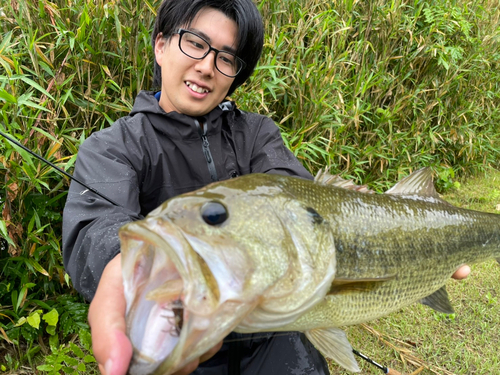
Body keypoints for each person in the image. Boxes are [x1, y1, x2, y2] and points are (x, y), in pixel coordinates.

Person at [62, 1, 471, 374]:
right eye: (195, 44)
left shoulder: (257, 133)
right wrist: (124, 264)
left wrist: (394, 229)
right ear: (161, 46)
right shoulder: (111, 148)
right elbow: (94, 229)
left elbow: (294, 194)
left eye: (226, 57)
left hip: (278, 336)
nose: (207, 66)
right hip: (183, 337)